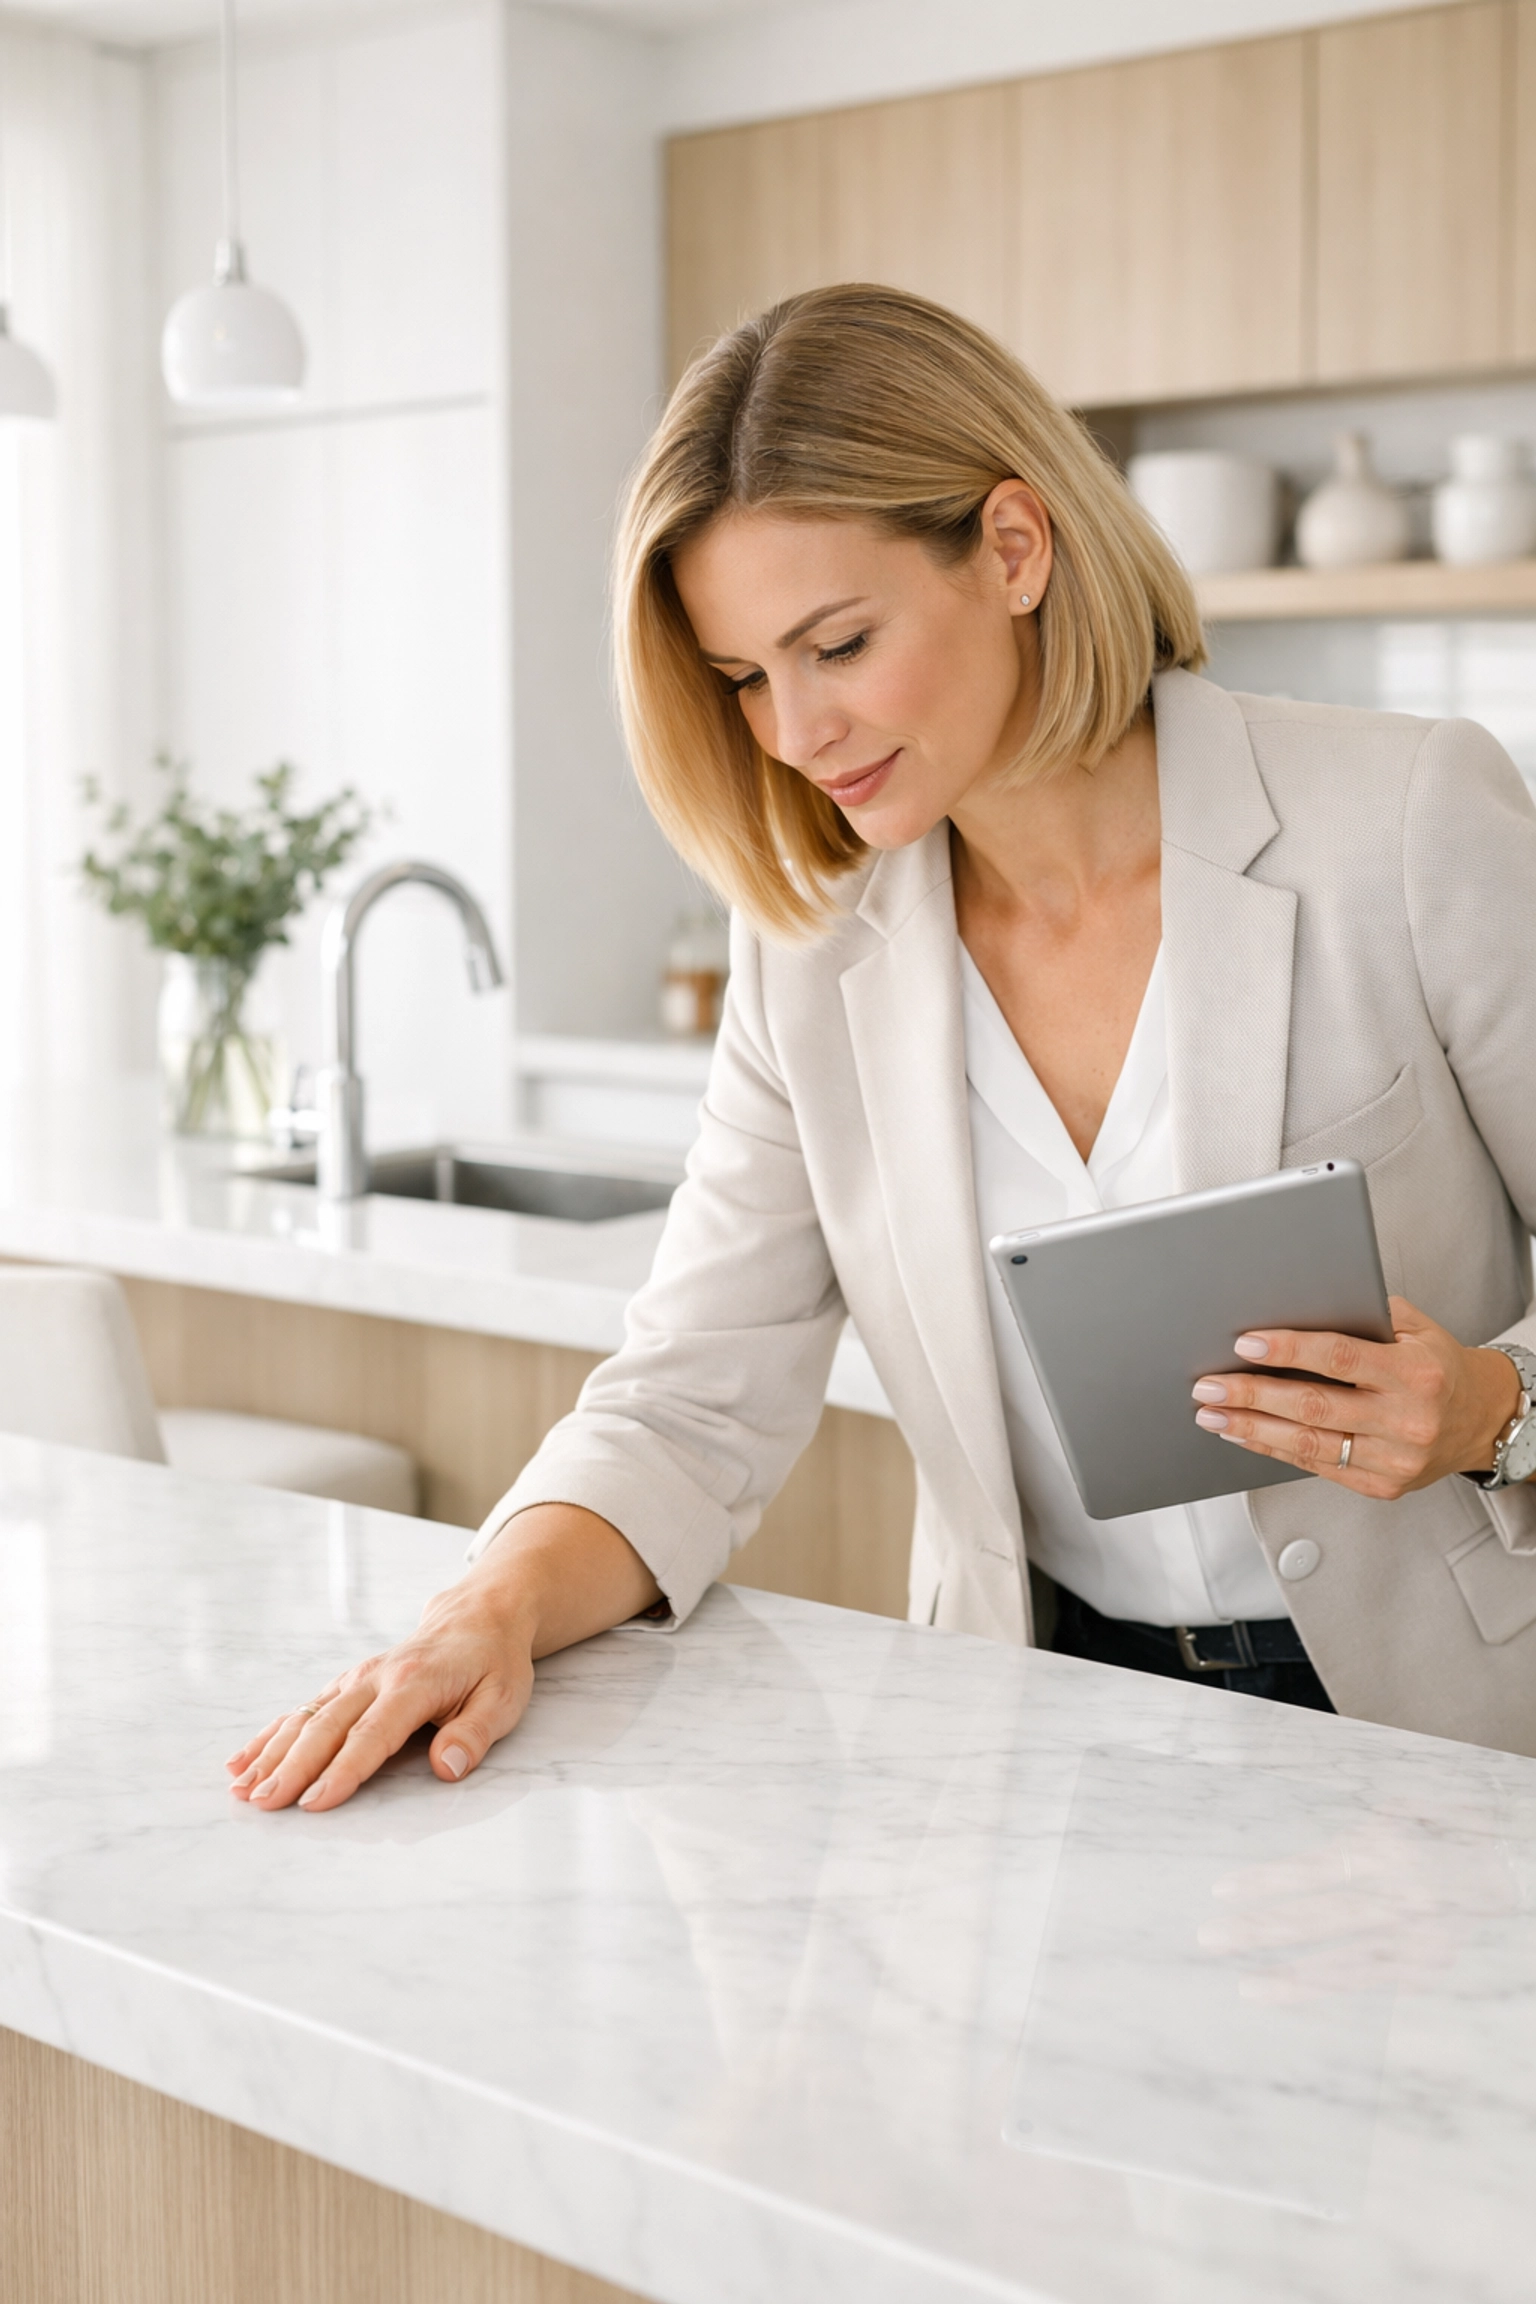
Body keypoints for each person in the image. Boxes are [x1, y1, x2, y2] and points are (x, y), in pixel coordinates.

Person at [229, 285, 1536, 1812]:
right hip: (1040, 1734)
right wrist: (488, 1608)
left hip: (1446, 1740)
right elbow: (691, 1396)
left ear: (1013, 548)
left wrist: (1495, 1411)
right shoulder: (814, 956)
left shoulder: (1403, 816)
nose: (793, 733)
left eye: (837, 644)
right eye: (744, 680)